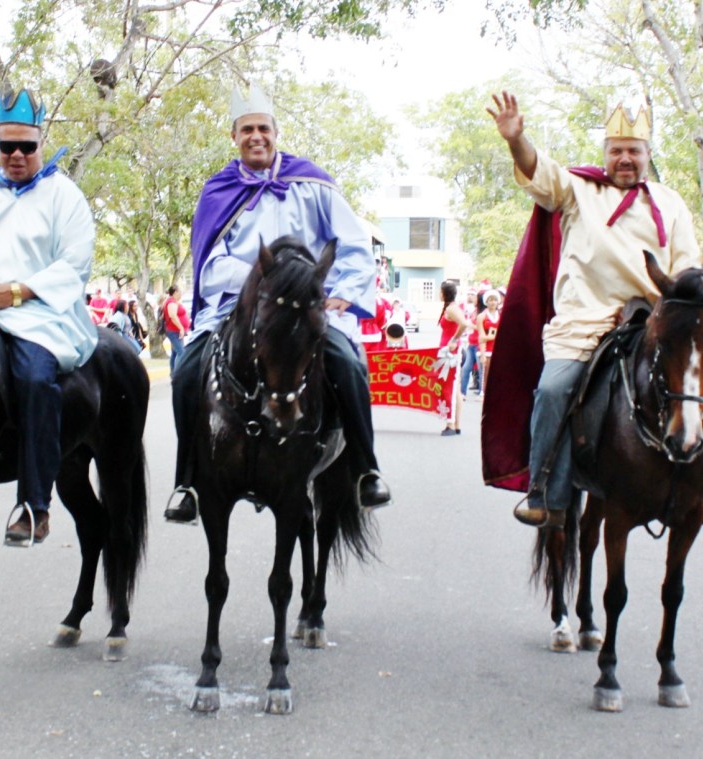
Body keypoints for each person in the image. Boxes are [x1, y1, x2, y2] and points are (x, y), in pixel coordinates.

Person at [484, 91, 703, 528]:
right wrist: (516, 139)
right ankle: (545, 492)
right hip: (583, 325)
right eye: (617, 151)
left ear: (648, 154)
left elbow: (686, 270)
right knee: (554, 389)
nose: (625, 159)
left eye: (634, 151)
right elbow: (538, 170)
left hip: (652, 324)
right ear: (605, 154)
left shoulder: (671, 203)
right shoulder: (578, 189)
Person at [162, 83, 391, 524]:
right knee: (185, 371)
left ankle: (366, 468)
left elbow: (355, 247)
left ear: (276, 132)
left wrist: (344, 292)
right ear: (234, 137)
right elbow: (208, 267)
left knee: (346, 361)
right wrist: (259, 283)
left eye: (263, 128)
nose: (256, 136)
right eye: (246, 129)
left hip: (308, 306)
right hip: (238, 308)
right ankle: (186, 480)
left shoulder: (314, 184)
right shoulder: (217, 192)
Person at [0, 85, 98, 545]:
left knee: (33, 378)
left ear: (40, 144)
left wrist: (16, 292)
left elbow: (74, 265)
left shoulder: (63, 196)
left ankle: (34, 504)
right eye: (8, 146)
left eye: (27, 146)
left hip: (37, 315)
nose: (17, 155)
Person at [437, 280, 473, 435]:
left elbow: (464, 323)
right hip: (447, 350)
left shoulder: (452, 309)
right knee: (455, 389)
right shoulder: (450, 308)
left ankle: (451, 424)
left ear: (444, 293)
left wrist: (454, 339)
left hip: (451, 352)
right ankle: (456, 423)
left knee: (449, 387)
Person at [476, 288, 502, 395]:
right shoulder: (481, 317)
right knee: (486, 375)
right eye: (490, 300)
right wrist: (482, 354)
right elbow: (481, 337)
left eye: (494, 300)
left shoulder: (501, 315)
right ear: (486, 302)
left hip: (499, 350)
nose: (492, 302)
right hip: (487, 350)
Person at [161, 285, 188, 372]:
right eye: (180, 292)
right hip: (174, 331)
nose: (181, 294)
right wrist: (181, 328)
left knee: (175, 353)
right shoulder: (171, 302)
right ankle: (180, 373)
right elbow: (172, 316)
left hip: (175, 330)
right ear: (175, 292)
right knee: (181, 353)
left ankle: (173, 372)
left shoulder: (174, 301)